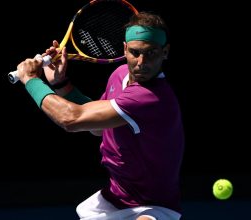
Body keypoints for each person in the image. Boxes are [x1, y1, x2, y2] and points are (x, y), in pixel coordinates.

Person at [16, 11, 185, 220]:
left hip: (154, 206)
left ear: (165, 52)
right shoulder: (119, 74)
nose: (141, 62)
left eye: (151, 53)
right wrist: (60, 83)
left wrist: (31, 80)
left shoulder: (152, 98)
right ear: (124, 48)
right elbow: (98, 126)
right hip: (116, 199)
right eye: (135, 52)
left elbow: (71, 119)